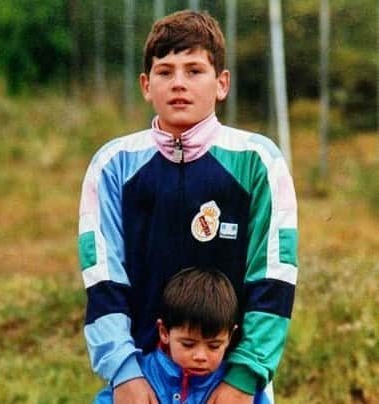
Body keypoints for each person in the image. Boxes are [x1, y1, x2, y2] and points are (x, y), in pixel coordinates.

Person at [78, 9, 298, 404]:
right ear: (146, 85)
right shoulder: (112, 165)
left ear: (222, 83)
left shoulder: (258, 161)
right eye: (165, 71)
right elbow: (102, 279)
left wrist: (244, 378)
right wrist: (124, 373)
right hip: (141, 380)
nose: (179, 83)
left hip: (231, 382)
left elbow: (274, 278)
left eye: (194, 70)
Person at [94, 267, 273, 403]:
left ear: (230, 337)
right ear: (164, 332)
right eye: (188, 344)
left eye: (214, 346)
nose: (200, 356)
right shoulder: (139, 377)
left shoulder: (238, 389)